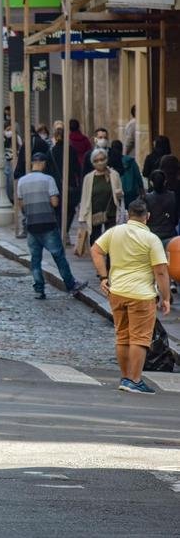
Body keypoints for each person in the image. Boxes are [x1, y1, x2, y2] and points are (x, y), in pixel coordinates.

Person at [91, 199, 170, 394]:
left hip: (117, 292)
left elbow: (96, 250)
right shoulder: (151, 239)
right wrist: (166, 296)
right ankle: (135, 379)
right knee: (140, 339)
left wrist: (103, 276)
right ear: (147, 217)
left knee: (122, 336)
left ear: (128, 215)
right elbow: (160, 271)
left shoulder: (114, 232)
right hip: (141, 294)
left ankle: (125, 377)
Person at [17, 153, 88, 300]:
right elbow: (55, 202)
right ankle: (70, 284)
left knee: (35, 259)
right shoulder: (49, 180)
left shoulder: (22, 181)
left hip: (31, 225)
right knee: (58, 256)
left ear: (32, 163)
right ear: (43, 163)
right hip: (48, 223)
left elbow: (21, 204)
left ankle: (39, 289)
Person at [79, 148, 123, 244]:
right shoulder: (88, 178)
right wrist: (82, 217)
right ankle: (97, 258)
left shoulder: (114, 175)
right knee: (95, 241)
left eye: (102, 159)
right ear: (92, 162)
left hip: (111, 212)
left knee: (111, 240)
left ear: (107, 159)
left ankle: (109, 259)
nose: (100, 162)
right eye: (96, 160)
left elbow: (120, 194)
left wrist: (119, 194)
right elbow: (85, 198)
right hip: (94, 213)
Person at [145, 170, 177, 247]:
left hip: (153, 235)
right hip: (170, 235)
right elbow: (175, 219)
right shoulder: (172, 196)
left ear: (151, 183)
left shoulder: (147, 198)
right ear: (165, 181)